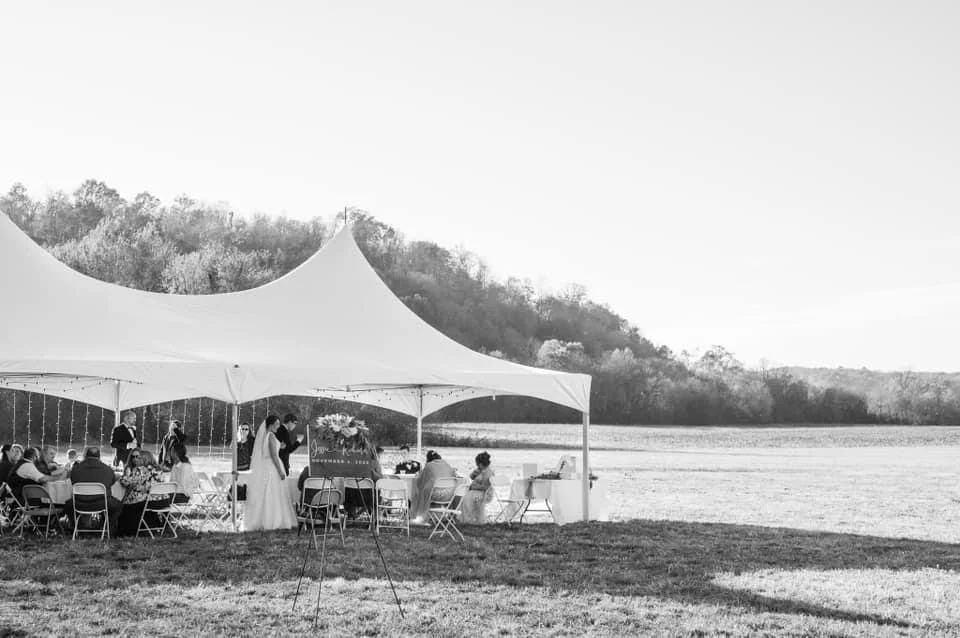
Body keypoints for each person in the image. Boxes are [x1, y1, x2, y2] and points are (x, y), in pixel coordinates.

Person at [244, 414, 297, 531]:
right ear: (271, 425)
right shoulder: (271, 436)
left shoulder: (265, 436)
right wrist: (280, 471)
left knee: (266, 493)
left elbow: (267, 451)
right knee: (274, 493)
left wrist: (279, 446)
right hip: (272, 467)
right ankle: (274, 520)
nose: (278, 426)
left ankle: (263, 519)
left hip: (265, 466)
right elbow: (273, 455)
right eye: (277, 424)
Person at [64, 447, 121, 537]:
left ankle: (78, 528)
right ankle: (109, 529)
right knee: (117, 505)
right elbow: (112, 482)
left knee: (68, 505)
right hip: (102, 503)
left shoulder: (75, 469)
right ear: (99, 457)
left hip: (79, 503)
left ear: (85, 456)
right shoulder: (107, 469)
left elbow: (73, 481)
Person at [117, 448, 162, 536]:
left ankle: (126, 530)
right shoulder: (158, 469)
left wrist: (122, 477)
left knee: (125, 504)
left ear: (144, 459)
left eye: (138, 457)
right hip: (160, 501)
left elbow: (126, 482)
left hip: (145, 501)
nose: (136, 459)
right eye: (133, 457)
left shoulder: (140, 469)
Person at [410, 450, 457, 521]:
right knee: (427, 489)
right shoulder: (447, 465)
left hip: (436, 495)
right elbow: (455, 478)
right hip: (450, 495)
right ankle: (439, 516)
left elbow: (420, 481)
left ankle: (418, 515)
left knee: (419, 491)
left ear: (428, 459)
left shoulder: (429, 466)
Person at [459, 451, 495, 524]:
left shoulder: (488, 473)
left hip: (485, 493)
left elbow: (485, 487)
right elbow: (471, 477)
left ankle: (470, 519)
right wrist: (475, 472)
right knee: (464, 497)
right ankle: (467, 518)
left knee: (467, 498)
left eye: (477, 464)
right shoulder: (480, 471)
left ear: (481, 464)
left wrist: (473, 487)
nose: (476, 465)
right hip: (477, 491)